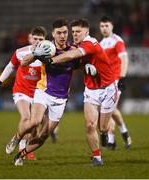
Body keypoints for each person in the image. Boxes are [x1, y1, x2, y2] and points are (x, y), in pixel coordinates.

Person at [37, 18, 118, 166]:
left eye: (78, 31)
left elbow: (72, 56)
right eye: (73, 32)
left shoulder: (90, 42)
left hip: (108, 89)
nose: (75, 34)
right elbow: (75, 59)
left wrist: (51, 60)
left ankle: (105, 133)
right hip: (91, 90)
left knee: (103, 127)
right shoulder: (75, 45)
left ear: (86, 32)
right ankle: (97, 158)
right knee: (89, 125)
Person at [5, 18, 80, 166]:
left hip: (61, 99)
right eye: (59, 33)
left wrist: (90, 68)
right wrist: (35, 53)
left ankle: (21, 154)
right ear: (53, 34)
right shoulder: (46, 47)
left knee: (44, 135)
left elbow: (80, 63)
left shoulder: (73, 50)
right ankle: (17, 137)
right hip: (43, 92)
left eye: (65, 32)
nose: (63, 36)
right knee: (35, 122)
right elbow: (24, 63)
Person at [0, 26, 48, 160]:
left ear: (45, 40)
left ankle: (24, 145)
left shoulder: (48, 54)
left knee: (35, 123)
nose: (37, 41)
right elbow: (10, 66)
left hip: (38, 93)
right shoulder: (21, 52)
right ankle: (20, 144)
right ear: (30, 38)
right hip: (21, 91)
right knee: (26, 117)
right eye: (35, 38)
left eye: (41, 39)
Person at [99, 16, 132, 149]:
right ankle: (124, 130)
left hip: (116, 80)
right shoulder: (101, 43)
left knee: (109, 109)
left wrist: (122, 78)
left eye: (106, 25)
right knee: (111, 109)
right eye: (102, 26)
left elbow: (124, 58)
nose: (104, 28)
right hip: (105, 81)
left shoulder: (117, 41)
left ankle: (112, 140)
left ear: (112, 26)